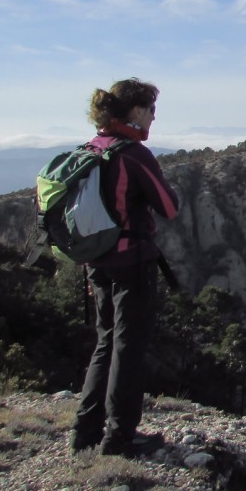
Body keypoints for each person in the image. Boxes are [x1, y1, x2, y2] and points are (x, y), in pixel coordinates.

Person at [69, 78, 180, 457]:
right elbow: (168, 207)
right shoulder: (133, 154)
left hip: (96, 261)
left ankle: (84, 432)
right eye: (150, 110)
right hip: (131, 262)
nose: (153, 118)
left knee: (105, 342)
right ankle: (119, 438)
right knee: (128, 347)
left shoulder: (92, 148)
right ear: (134, 111)